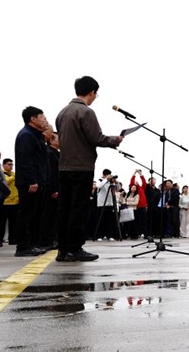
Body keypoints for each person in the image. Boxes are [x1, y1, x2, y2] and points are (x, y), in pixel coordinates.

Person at [55, 76, 122, 261]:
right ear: (92, 92)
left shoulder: (62, 112)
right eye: (96, 94)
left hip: (64, 166)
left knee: (64, 209)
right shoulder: (86, 112)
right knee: (78, 209)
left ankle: (63, 250)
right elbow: (97, 138)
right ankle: (75, 248)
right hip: (82, 167)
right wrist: (116, 140)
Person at [13, 106, 51, 256]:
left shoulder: (36, 135)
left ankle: (33, 244)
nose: (45, 120)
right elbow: (26, 160)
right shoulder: (26, 135)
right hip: (29, 182)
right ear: (33, 119)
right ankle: (22, 247)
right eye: (42, 118)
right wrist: (32, 180)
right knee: (26, 215)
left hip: (38, 181)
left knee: (35, 215)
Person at [95, 170, 119, 241]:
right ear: (104, 175)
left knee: (109, 221)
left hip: (110, 203)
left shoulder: (111, 182)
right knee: (100, 221)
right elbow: (99, 186)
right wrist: (106, 179)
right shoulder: (100, 180)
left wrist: (115, 182)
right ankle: (99, 236)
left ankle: (109, 235)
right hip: (101, 204)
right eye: (108, 175)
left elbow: (118, 189)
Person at [1, 158, 18, 247]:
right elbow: (6, 182)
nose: (10, 166)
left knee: (13, 222)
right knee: (2, 222)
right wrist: (14, 177)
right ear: (4, 165)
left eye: (12, 164)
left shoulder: (13, 174)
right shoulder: (3, 174)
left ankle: (12, 239)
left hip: (14, 202)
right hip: (5, 202)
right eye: (9, 164)